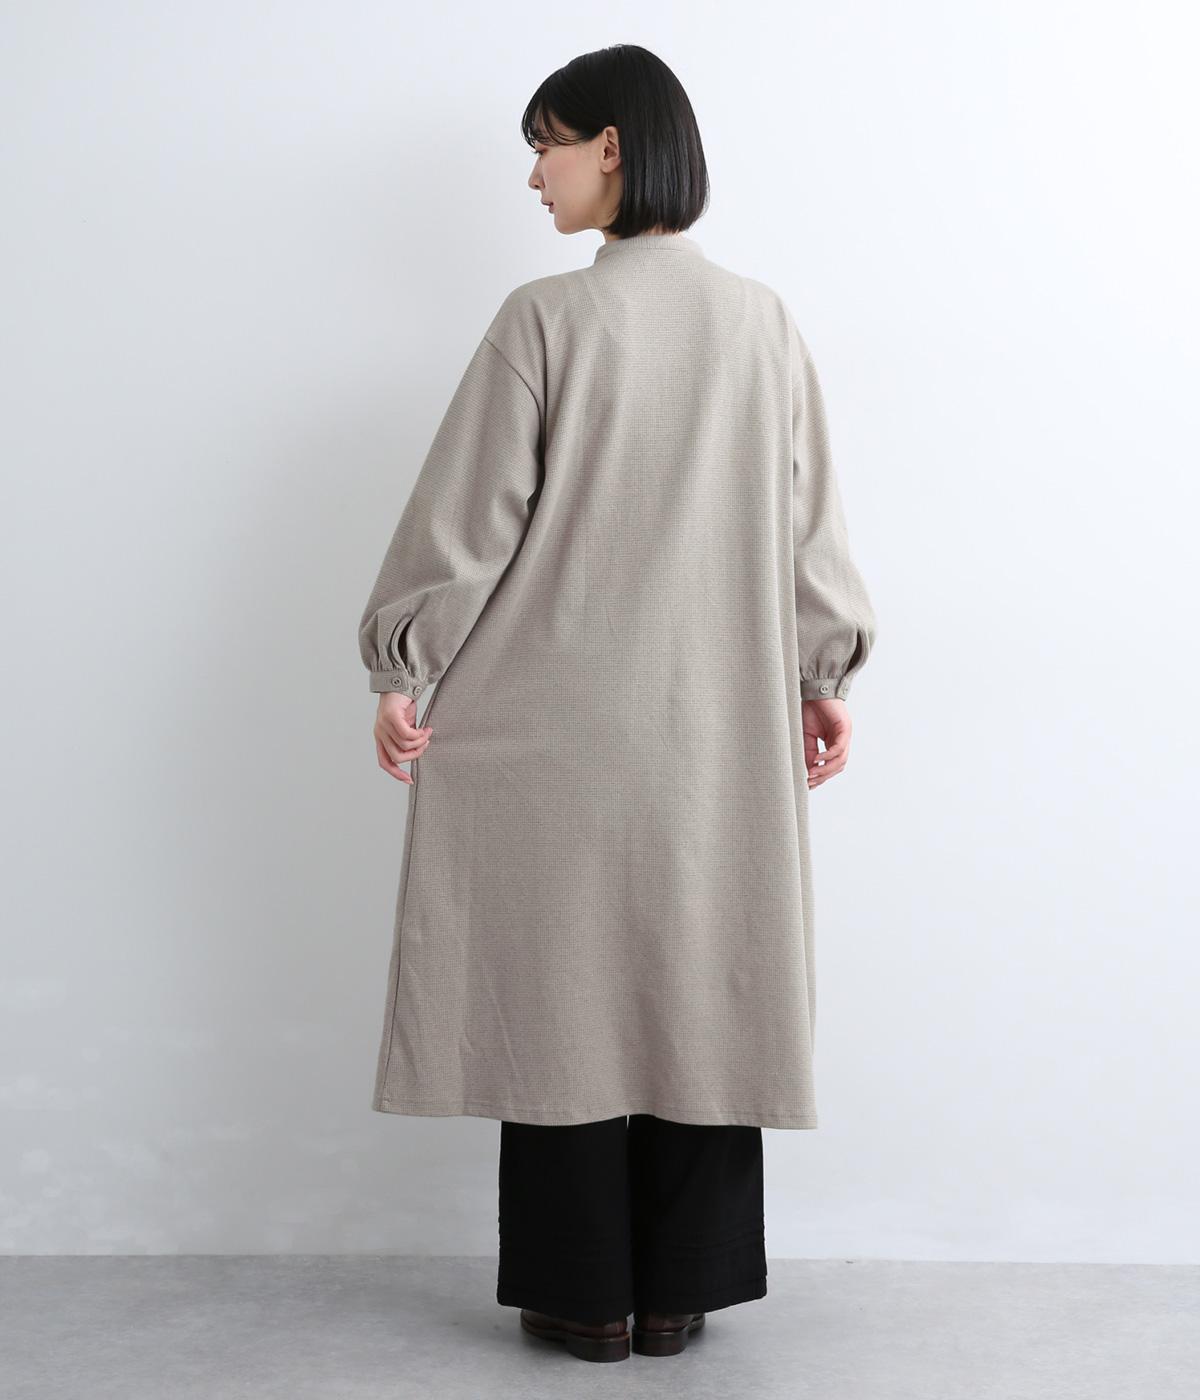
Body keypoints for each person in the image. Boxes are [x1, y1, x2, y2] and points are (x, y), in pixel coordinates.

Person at [357, 44, 878, 1364]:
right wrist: (823, 676)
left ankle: (583, 1294)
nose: (533, 176)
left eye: (546, 145)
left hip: (552, 733)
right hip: (718, 729)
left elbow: (465, 526)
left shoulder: (546, 321)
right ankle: (680, 1290)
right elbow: (809, 522)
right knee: (703, 981)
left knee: (564, 998)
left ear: (611, 148)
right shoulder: (761, 323)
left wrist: (404, 667)